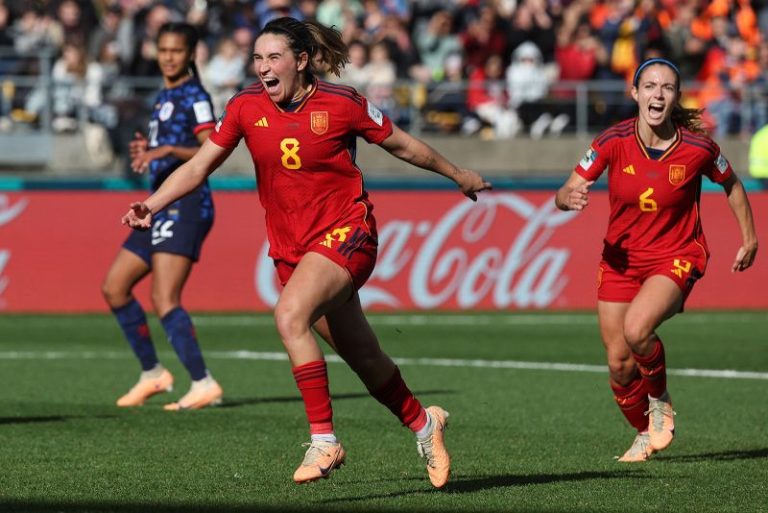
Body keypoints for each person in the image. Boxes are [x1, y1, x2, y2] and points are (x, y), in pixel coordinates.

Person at [122, 17, 491, 487]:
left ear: (300, 61)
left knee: (288, 316)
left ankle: (324, 441)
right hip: (292, 249)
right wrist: (150, 205)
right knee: (364, 357)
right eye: (257, 58)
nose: (263, 67)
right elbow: (198, 167)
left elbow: (402, 145)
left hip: (347, 233)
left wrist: (457, 174)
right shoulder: (244, 107)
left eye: (273, 57)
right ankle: (425, 425)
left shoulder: (343, 103)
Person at [555, 58, 758, 462]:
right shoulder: (612, 140)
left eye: (666, 87)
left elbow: (732, 184)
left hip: (677, 255)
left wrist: (749, 239)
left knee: (637, 329)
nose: (658, 94)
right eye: (649, 86)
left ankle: (660, 400)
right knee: (618, 365)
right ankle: (645, 432)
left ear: (676, 97)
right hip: (620, 261)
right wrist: (568, 199)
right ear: (635, 94)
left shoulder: (699, 148)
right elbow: (567, 189)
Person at [102, 22, 223, 411]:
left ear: (190, 54)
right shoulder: (164, 94)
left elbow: (212, 147)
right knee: (115, 287)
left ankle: (203, 382)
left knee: (164, 297)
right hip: (157, 204)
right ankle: (153, 373)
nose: (168, 57)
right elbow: (169, 147)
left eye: (176, 51)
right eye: (163, 50)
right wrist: (148, 150)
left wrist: (167, 150)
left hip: (186, 204)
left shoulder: (195, 95)